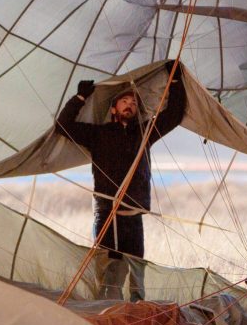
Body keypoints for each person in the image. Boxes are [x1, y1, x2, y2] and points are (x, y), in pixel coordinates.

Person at [56, 65, 186, 301]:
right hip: (107, 213)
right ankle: (105, 314)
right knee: (109, 275)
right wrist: (80, 97)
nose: (130, 105)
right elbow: (62, 125)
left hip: (133, 215)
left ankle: (135, 316)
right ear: (113, 108)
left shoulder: (144, 133)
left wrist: (175, 79)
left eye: (134, 103)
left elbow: (174, 114)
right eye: (124, 101)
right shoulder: (98, 134)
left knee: (137, 272)